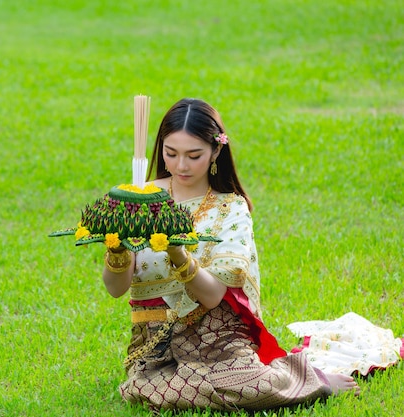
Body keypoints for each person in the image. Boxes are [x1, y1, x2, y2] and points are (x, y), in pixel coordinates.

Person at [101, 98, 360, 411]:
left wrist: (178, 253)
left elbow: (212, 298)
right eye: (171, 153)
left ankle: (303, 376)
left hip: (217, 337)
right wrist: (117, 247)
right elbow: (116, 290)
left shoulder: (230, 208)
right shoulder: (138, 197)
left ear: (216, 151)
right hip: (155, 343)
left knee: (250, 387)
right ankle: (265, 378)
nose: (181, 165)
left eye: (193, 155)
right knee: (143, 390)